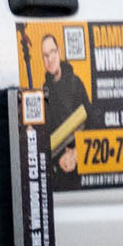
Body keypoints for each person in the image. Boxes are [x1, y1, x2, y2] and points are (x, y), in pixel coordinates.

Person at [42, 32, 92, 190]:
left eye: (52, 52)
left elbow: (92, 121)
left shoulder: (75, 83)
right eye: (45, 55)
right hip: (55, 172)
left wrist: (76, 154)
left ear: (59, 52)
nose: (50, 59)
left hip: (76, 169)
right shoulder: (44, 91)